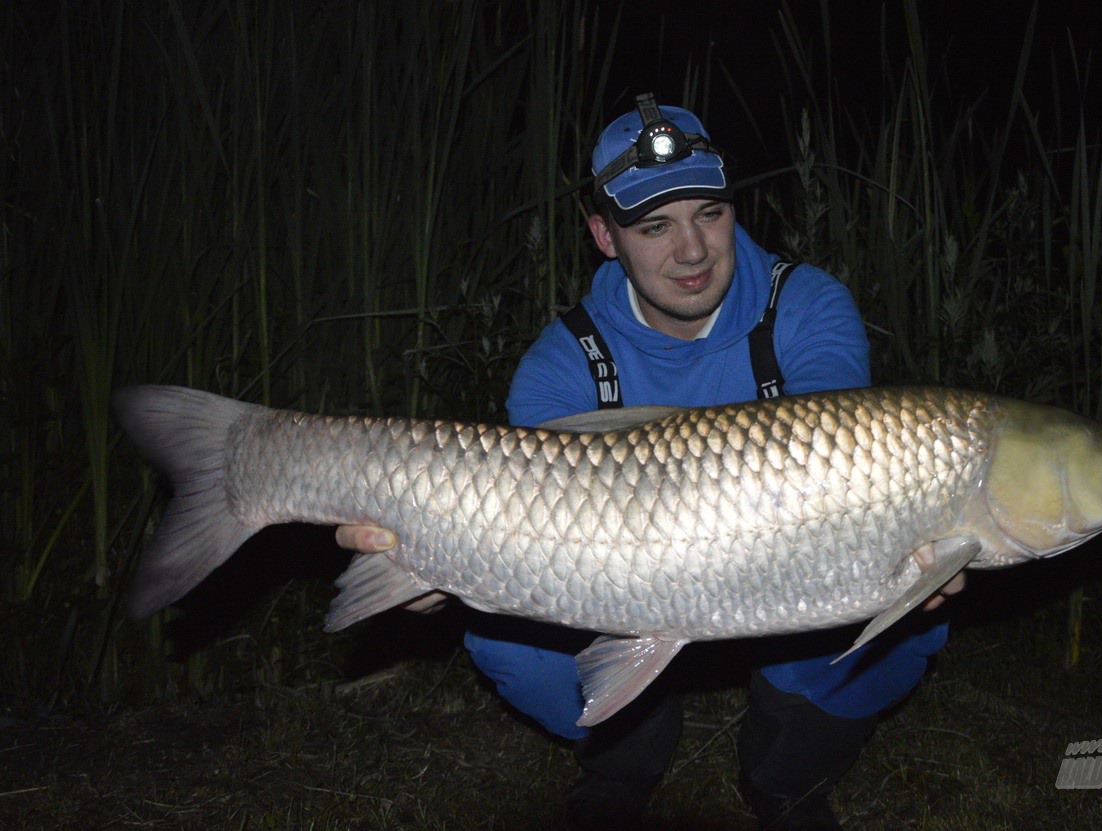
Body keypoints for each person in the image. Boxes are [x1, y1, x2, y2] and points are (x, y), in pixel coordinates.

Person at [336, 94, 963, 830]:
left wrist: (913, 538)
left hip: (787, 573)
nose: (692, 250)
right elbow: (528, 531)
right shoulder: (562, 366)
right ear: (605, 235)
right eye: (653, 226)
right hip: (617, 582)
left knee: (900, 620)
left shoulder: (808, 306)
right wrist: (430, 558)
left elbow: (841, 459)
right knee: (504, 635)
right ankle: (627, 753)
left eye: (710, 212)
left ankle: (786, 774)